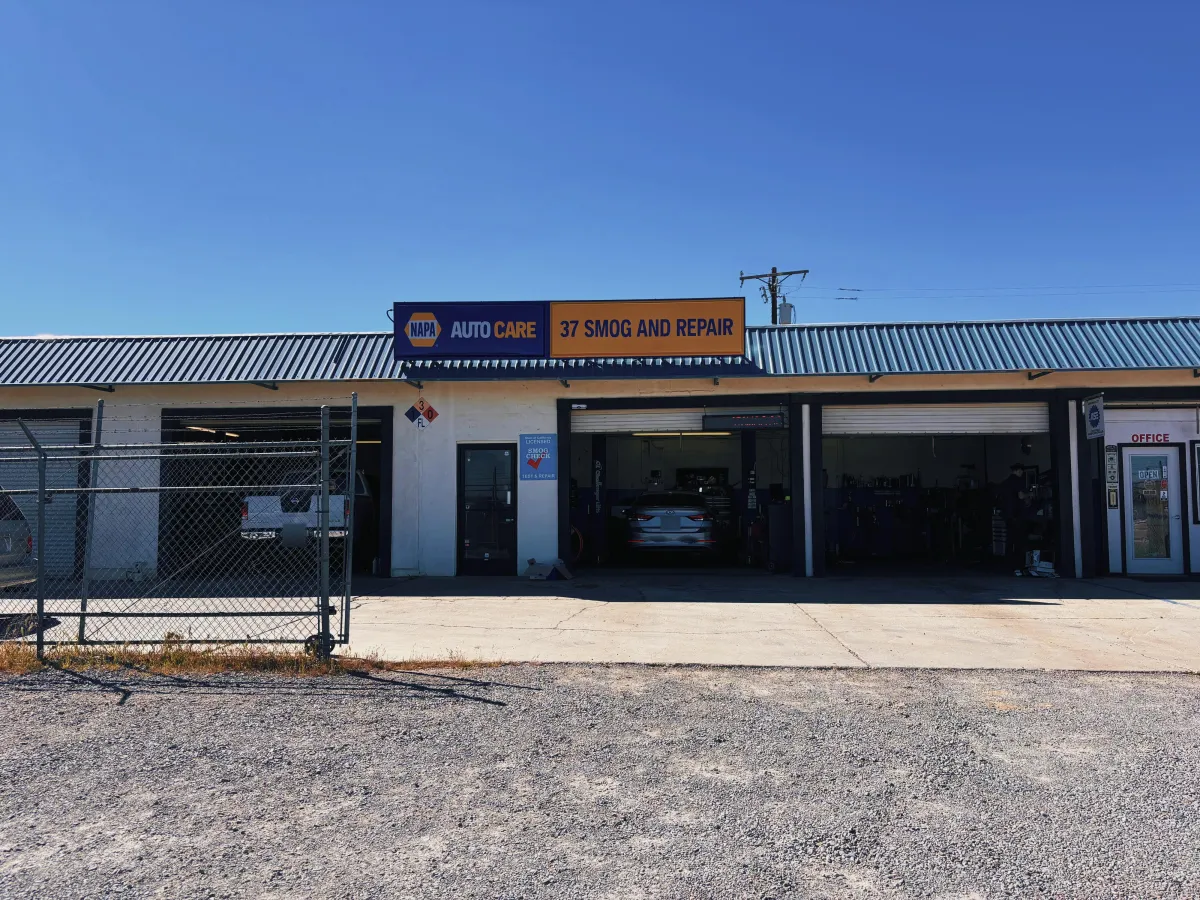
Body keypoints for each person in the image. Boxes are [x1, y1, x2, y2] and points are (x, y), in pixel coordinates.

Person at [999, 463, 1030, 573]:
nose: (1022, 473)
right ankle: (1018, 565)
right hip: (1017, 515)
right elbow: (1021, 496)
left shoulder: (1005, 483)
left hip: (1008, 516)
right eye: (1021, 471)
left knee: (1009, 540)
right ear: (1017, 471)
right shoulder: (1018, 481)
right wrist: (1029, 495)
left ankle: (1008, 565)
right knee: (1019, 541)